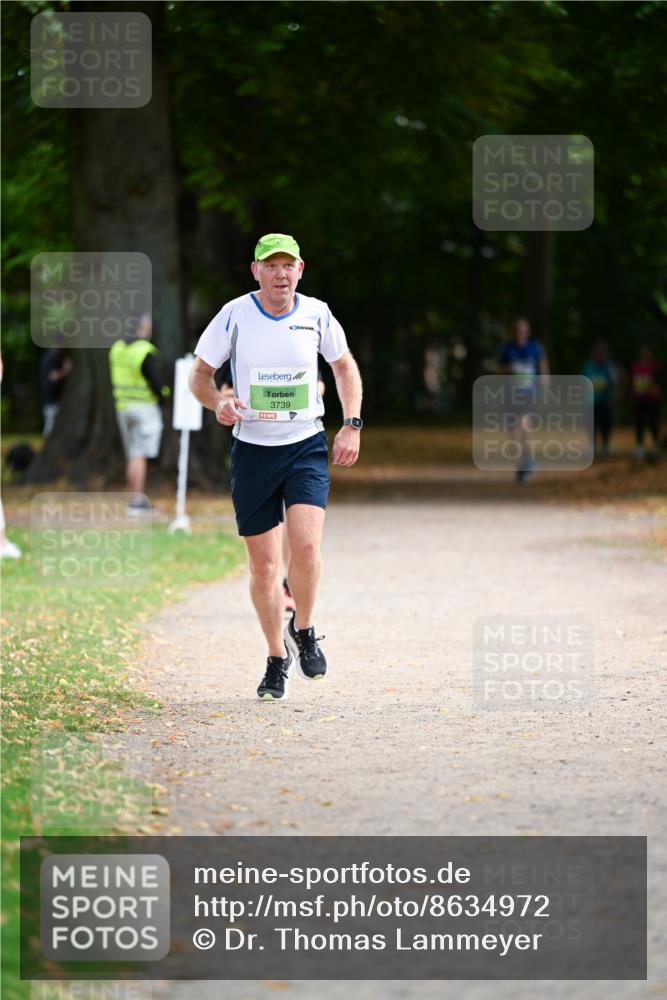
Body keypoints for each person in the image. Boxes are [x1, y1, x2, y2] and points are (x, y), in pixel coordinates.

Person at [189, 233, 363, 701]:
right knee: (264, 566)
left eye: (288, 266)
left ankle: (303, 630)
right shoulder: (235, 315)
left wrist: (351, 424)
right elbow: (200, 376)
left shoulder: (317, 314)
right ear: (256, 271)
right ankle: (275, 657)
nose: (280, 274)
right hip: (252, 451)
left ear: (300, 270)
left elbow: (344, 367)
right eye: (271, 266)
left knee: (305, 548)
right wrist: (220, 402)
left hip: (304, 443)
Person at [108, 314, 169, 515]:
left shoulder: (117, 348)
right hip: (144, 408)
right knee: (140, 455)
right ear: (142, 328)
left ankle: (135, 498)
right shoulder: (144, 351)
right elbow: (156, 382)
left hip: (123, 407)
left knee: (133, 453)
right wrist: (164, 396)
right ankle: (137, 501)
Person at [498, 317, 549, 483]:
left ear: (527, 332)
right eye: (517, 330)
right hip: (511, 394)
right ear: (514, 332)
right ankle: (521, 465)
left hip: (529, 393)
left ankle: (527, 459)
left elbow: (543, 367)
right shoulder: (507, 349)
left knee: (523, 424)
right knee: (513, 431)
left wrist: (544, 384)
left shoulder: (535, 347)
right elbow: (497, 370)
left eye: (523, 330)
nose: (520, 333)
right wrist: (508, 368)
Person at [581, 338, 618, 457]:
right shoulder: (588, 367)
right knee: (590, 425)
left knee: (606, 424)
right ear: (594, 352)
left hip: (605, 401)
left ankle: (606, 445)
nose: (600, 353)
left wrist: (614, 396)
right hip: (590, 402)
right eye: (598, 350)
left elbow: (615, 383)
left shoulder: (610, 366)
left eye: (603, 350)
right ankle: (592, 446)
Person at [631, 345, 661, 460]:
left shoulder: (655, 367)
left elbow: (660, 382)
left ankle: (655, 445)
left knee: (653, 423)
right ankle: (639, 446)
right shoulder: (635, 367)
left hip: (652, 400)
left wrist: (655, 388)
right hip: (639, 400)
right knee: (639, 423)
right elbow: (631, 382)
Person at [40, 336, 72, 436]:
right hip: (51, 400)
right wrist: (66, 371)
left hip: (52, 399)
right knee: (50, 426)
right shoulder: (52, 357)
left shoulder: (51, 356)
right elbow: (52, 377)